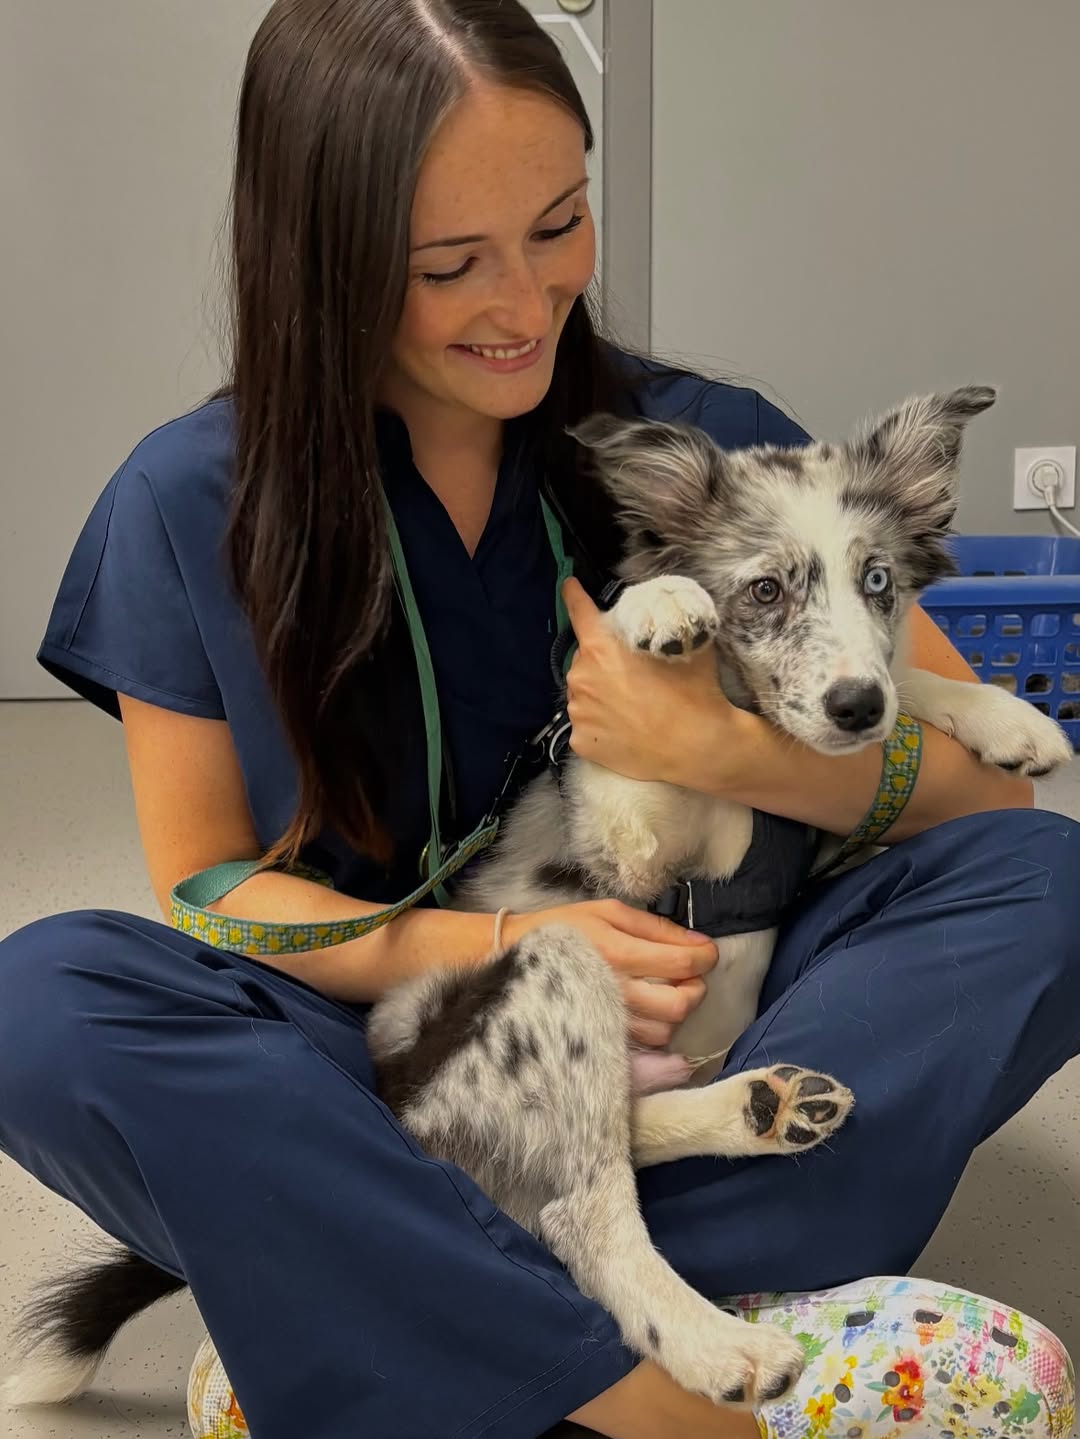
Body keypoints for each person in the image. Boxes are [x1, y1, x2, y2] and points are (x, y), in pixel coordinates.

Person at [1, 2, 1077, 1437]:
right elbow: (207, 887)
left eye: (559, 225)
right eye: (450, 264)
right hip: (387, 1048)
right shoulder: (188, 504)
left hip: (714, 1026)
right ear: (321, 262)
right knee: (48, 1002)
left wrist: (716, 751)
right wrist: (505, 942)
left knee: (1043, 883)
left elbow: (984, 801)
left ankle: (370, 1310)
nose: (527, 303)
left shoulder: (703, 450)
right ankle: (644, 1388)